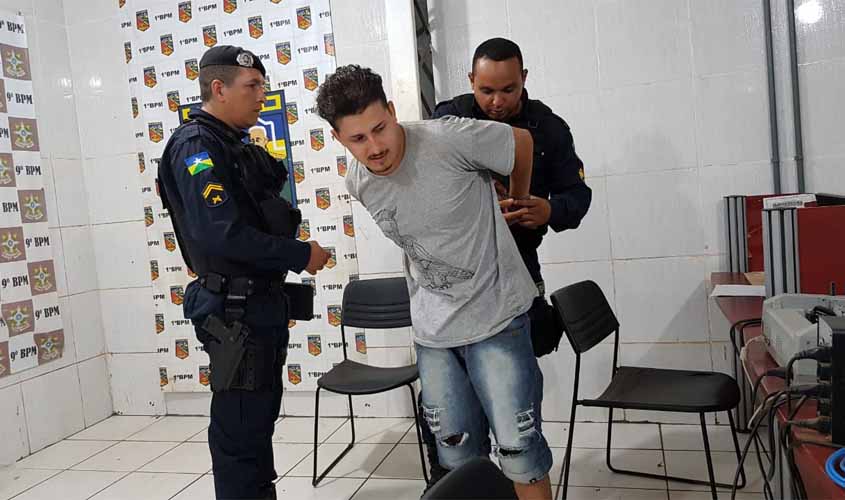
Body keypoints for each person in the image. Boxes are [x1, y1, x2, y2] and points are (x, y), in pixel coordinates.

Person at [317, 65, 554, 500]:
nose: (375, 147)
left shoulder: (447, 139)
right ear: (338, 139)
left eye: (380, 128)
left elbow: (520, 142)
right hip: (434, 336)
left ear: (392, 111)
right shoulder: (358, 181)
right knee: (458, 462)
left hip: (496, 320)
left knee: (520, 454)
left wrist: (516, 201)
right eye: (358, 139)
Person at [157, 45, 330, 500]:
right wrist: (299, 255)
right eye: (252, 86)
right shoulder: (196, 146)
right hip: (235, 314)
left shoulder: (231, 142)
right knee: (239, 434)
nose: (261, 95)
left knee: (256, 425)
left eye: (262, 86)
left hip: (257, 307)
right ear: (219, 89)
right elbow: (223, 235)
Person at [422, 36, 593, 486]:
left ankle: (518, 476)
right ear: (470, 82)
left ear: (524, 80)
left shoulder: (549, 128)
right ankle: (464, 484)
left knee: (516, 411)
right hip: (457, 281)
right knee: (454, 419)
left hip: (517, 271)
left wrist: (549, 209)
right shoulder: (448, 120)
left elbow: (578, 196)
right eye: (486, 90)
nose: (497, 102)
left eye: (508, 90)